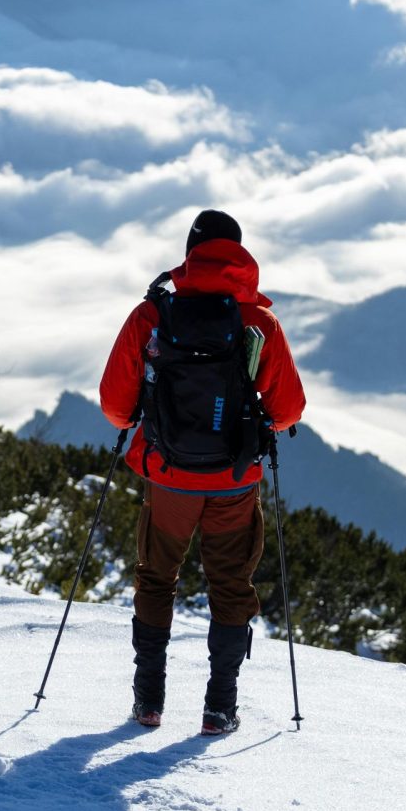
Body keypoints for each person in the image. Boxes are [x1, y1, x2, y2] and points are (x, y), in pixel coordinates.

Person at [98, 209, 305, 734]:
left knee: (156, 576)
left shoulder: (153, 315)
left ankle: (148, 701)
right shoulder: (258, 322)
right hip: (234, 480)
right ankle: (220, 707)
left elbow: (115, 408)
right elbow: (287, 411)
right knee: (231, 584)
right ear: (238, 253)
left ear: (190, 250)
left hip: (167, 475)